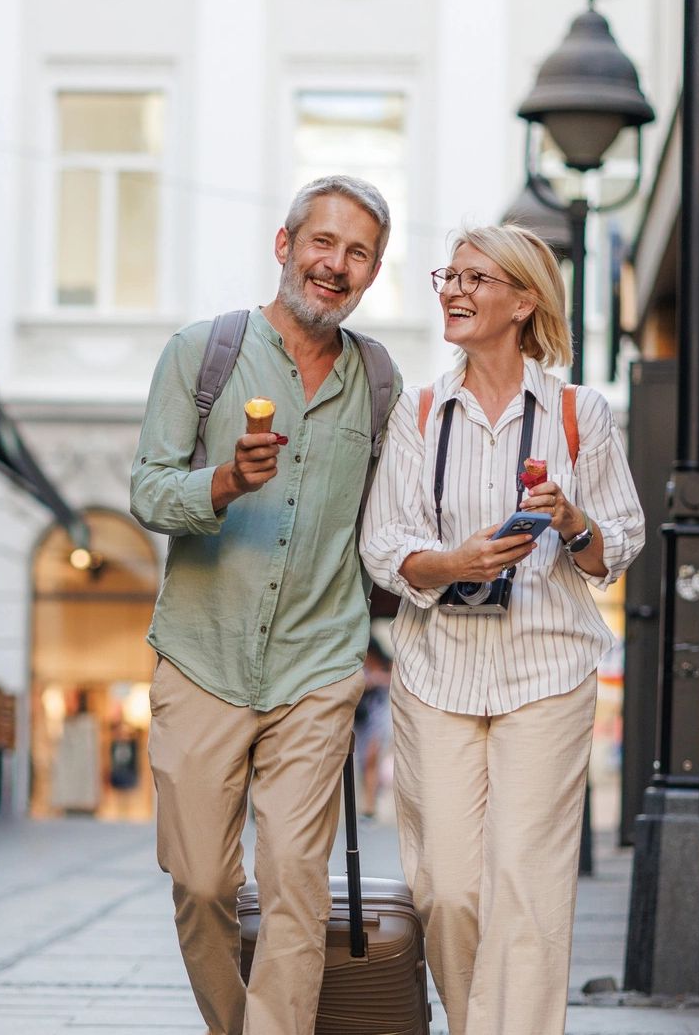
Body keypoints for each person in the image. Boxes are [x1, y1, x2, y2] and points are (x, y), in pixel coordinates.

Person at [131, 175, 402, 1035]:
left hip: (319, 666)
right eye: (323, 243)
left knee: (295, 879)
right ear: (284, 246)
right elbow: (145, 489)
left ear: (372, 273)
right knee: (205, 880)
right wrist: (223, 481)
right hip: (202, 655)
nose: (337, 265)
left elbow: (390, 521)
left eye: (358, 253)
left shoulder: (379, 379)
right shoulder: (202, 353)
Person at [359, 223, 644, 1035]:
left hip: (546, 669)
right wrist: (457, 563)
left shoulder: (579, 413)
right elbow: (386, 547)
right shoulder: (418, 413)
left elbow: (615, 545)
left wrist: (573, 519)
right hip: (436, 670)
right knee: (447, 886)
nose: (452, 288)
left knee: (525, 882)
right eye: (449, 274)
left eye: (475, 278)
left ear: (524, 301)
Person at [353, 638, 392, 818]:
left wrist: (377, 679)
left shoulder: (386, 666)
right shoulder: (357, 667)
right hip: (361, 721)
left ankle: (370, 805)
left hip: (379, 720)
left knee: (371, 759)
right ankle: (368, 803)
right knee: (364, 762)